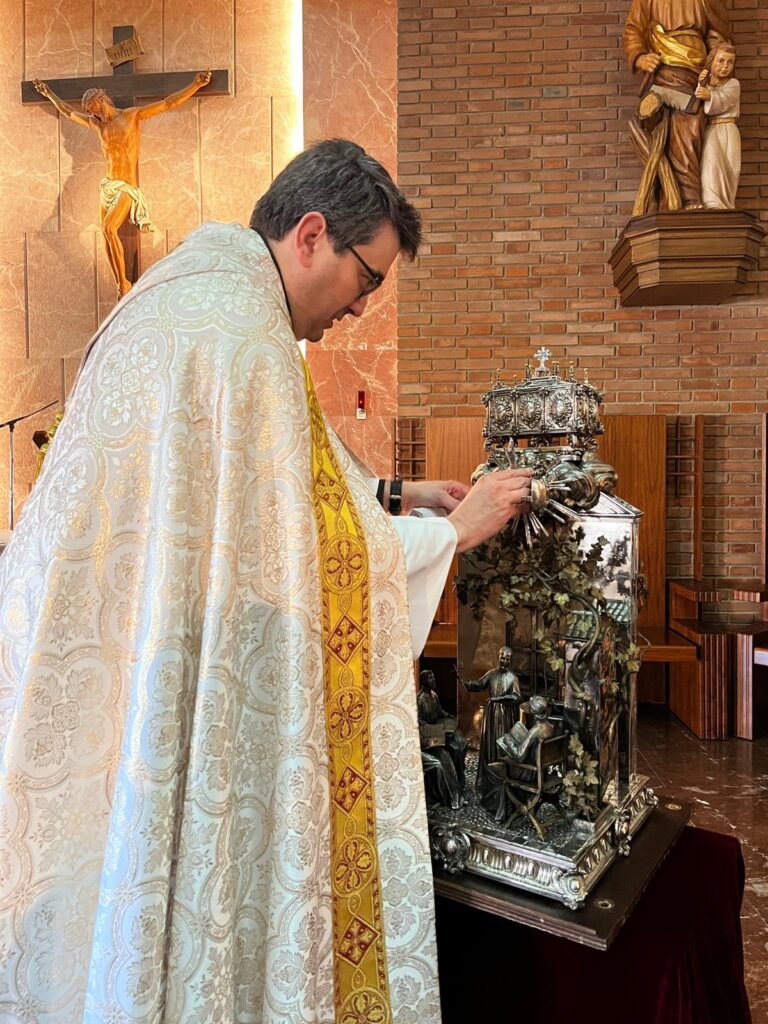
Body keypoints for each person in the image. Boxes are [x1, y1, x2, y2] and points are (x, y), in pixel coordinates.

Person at [0, 139, 533, 1023]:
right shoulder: (246, 338)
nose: (360, 307)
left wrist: (396, 494)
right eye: (367, 279)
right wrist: (456, 533)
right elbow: (301, 556)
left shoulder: (192, 291)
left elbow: (274, 490)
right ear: (312, 234)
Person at [33, 71, 212, 296]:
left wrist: (195, 85)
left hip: (126, 187)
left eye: (94, 107)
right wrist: (49, 93)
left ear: (101, 99)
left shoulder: (131, 116)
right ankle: (120, 282)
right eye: (90, 111)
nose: (93, 113)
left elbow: (168, 103)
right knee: (105, 232)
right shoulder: (97, 125)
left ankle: (123, 284)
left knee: (109, 227)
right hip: (108, 186)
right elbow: (68, 111)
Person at [623, 0, 732, 209]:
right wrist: (640, 57)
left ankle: (686, 198)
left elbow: (716, 33)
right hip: (666, 70)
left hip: (699, 73)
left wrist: (716, 66)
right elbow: (633, 29)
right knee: (679, 127)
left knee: (693, 128)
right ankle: (683, 199)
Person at [460, 646, 522, 794]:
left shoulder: (513, 678)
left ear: (510, 661)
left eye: (507, 659)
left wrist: (499, 699)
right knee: (490, 743)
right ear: (498, 657)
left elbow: (516, 697)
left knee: (501, 744)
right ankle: (488, 780)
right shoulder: (492, 674)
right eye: (502, 658)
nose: (504, 661)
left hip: (505, 716)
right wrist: (467, 684)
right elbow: (480, 684)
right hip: (492, 715)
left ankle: (502, 781)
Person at [696, 44, 741, 209]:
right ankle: (712, 203)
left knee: (731, 168)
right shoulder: (707, 84)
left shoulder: (733, 83)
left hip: (729, 129)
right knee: (711, 164)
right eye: (721, 61)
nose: (725, 66)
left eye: (730, 62)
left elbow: (727, 99)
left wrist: (710, 95)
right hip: (712, 130)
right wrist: (701, 84)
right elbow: (697, 100)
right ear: (711, 62)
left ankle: (726, 204)